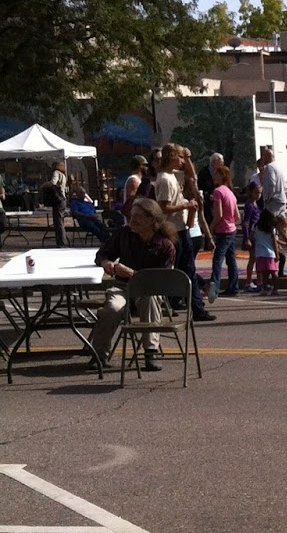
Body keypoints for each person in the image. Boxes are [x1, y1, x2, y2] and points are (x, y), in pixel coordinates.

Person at [86, 197, 177, 370]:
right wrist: (105, 262)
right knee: (112, 308)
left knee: (149, 299)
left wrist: (132, 273)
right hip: (122, 287)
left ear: (152, 220)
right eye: (131, 216)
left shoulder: (165, 246)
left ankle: (151, 352)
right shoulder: (124, 234)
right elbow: (102, 254)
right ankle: (99, 355)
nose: (132, 220)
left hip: (149, 288)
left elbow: (162, 280)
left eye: (137, 217)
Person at [154, 143, 214, 321]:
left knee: (187, 268)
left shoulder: (172, 175)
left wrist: (188, 158)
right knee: (179, 269)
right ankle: (177, 304)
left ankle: (196, 307)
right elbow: (163, 208)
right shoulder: (164, 178)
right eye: (179, 157)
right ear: (171, 157)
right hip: (173, 230)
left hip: (181, 228)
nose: (181, 161)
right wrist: (186, 205)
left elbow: (191, 175)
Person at [207, 162, 240, 300]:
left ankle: (214, 288)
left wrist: (211, 227)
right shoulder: (230, 192)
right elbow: (237, 215)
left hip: (223, 230)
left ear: (222, 176)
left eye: (216, 173)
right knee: (231, 259)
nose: (214, 176)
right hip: (231, 229)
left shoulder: (218, 192)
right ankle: (234, 286)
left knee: (217, 259)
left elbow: (218, 214)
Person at [257, 146, 287, 276]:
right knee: (280, 227)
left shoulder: (270, 168)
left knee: (270, 229)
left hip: (273, 201)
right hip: (281, 199)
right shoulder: (279, 167)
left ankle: (276, 256)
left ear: (268, 157)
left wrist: (267, 199)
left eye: (264, 156)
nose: (262, 159)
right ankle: (285, 245)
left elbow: (271, 183)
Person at [44, 160, 68, 246]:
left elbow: (53, 182)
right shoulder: (63, 175)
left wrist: (44, 185)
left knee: (58, 222)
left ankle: (61, 242)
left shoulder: (56, 173)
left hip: (57, 199)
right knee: (60, 220)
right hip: (63, 199)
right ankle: (63, 240)